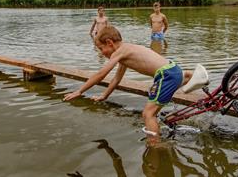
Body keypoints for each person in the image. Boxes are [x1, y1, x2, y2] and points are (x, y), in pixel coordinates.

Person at [63, 26, 209, 144]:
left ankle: (155, 145)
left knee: (148, 114)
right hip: (173, 69)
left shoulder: (120, 52)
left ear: (109, 43)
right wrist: (104, 95)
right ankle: (189, 76)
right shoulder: (125, 52)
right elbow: (116, 79)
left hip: (166, 75)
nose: (102, 53)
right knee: (155, 99)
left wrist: (80, 91)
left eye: (101, 49)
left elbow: (101, 74)